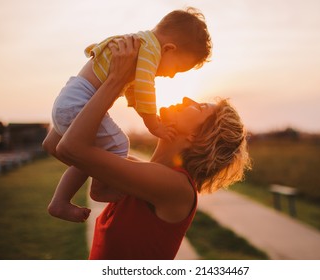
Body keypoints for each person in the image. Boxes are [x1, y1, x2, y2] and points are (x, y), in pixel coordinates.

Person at [53, 35, 251, 259]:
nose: (187, 99)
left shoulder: (175, 187)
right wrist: (95, 79)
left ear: (198, 137)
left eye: (199, 107)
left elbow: (70, 148)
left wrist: (116, 80)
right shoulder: (142, 173)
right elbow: (57, 144)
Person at [43, 7, 212, 222]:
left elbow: (132, 88)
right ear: (169, 49)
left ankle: (60, 200)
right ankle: (98, 189)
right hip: (80, 103)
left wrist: (138, 109)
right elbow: (144, 88)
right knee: (119, 144)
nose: (171, 76)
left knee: (91, 154)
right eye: (177, 69)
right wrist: (153, 124)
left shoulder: (139, 43)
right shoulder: (150, 51)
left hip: (69, 98)